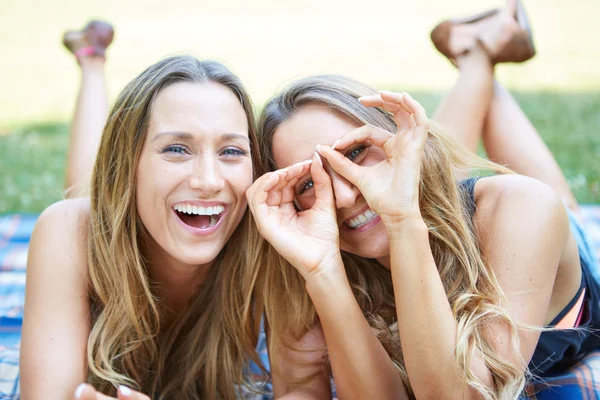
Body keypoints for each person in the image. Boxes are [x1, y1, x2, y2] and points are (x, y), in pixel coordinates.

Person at [247, 0, 600, 398]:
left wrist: (401, 219)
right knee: (433, 178)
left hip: (548, 245)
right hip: (435, 197)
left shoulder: (521, 208)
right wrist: (324, 274)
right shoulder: (302, 256)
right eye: (308, 184)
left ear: (395, 138)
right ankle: (479, 51)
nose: (344, 194)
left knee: (552, 205)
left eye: (354, 153)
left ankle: (478, 55)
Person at [20, 21, 268, 400]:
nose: (208, 180)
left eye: (231, 151)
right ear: (128, 163)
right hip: (104, 214)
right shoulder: (67, 231)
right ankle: (92, 60)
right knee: (83, 197)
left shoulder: (268, 239)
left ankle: (93, 55)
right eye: (177, 149)